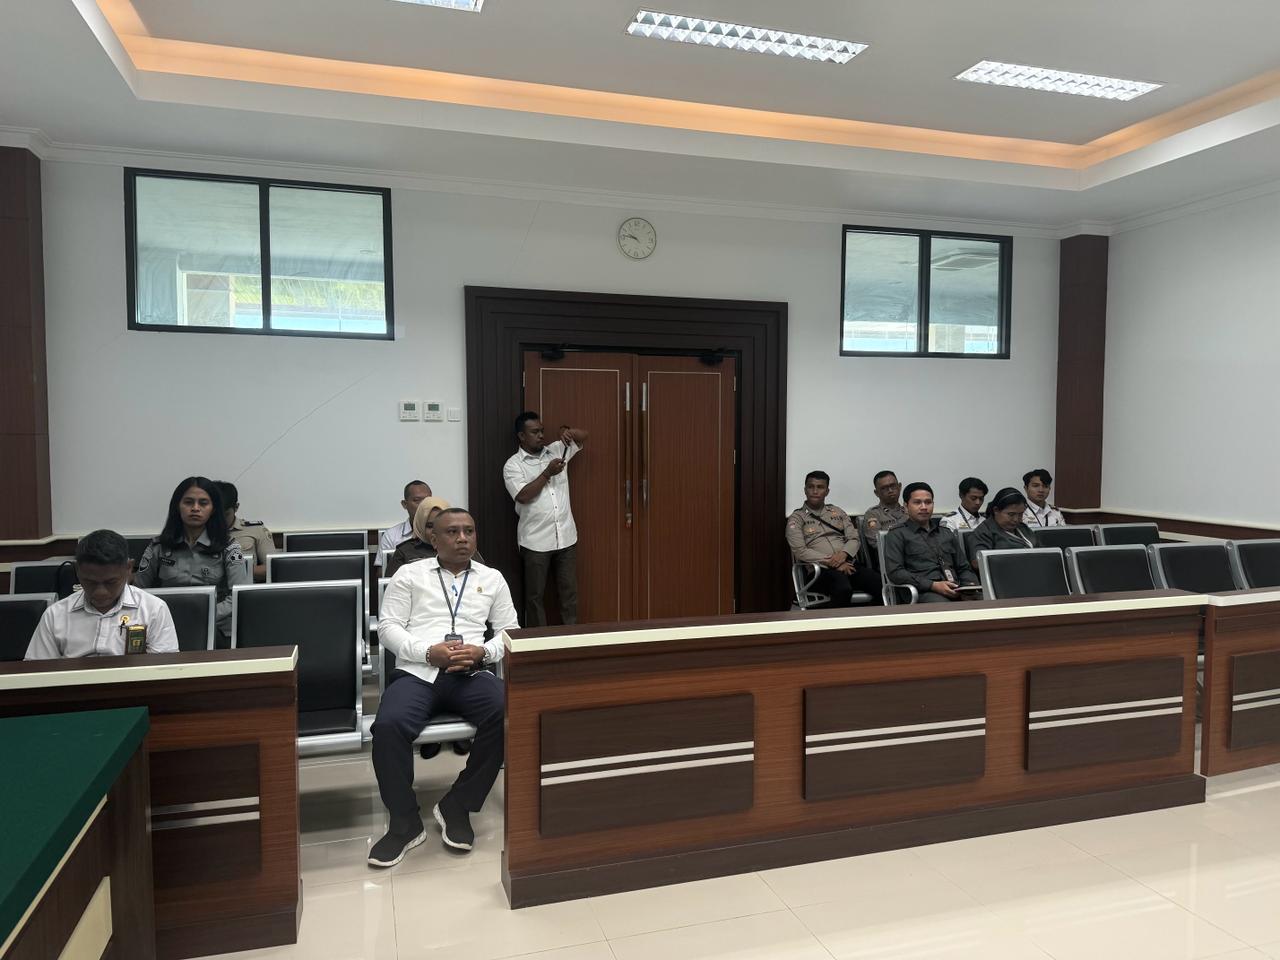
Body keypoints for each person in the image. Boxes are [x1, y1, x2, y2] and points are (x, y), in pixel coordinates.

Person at [369, 508, 516, 865]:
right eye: (453, 532)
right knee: (388, 725)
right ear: (433, 539)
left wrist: (483, 653)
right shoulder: (409, 574)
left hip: (470, 673)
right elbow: (387, 627)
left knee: (507, 712)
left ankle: (458, 804)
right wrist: (426, 652)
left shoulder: (492, 578)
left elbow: (510, 631)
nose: (463, 538)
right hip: (418, 673)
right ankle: (404, 822)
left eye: (469, 531)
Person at [26, 529, 179, 659]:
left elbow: (163, 669)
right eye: (90, 582)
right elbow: (37, 672)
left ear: (128, 568)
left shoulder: (154, 610)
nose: (101, 592)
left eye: (110, 582)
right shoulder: (55, 614)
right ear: (77, 570)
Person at [134, 476, 248, 645]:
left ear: (213, 509)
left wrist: (201, 616)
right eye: (188, 502)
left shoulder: (229, 548)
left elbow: (238, 596)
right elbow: (139, 592)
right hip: (164, 626)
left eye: (203, 503)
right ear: (177, 506)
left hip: (215, 628)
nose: (195, 508)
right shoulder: (158, 547)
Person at [503, 412, 587, 627]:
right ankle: (539, 641)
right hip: (535, 542)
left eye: (542, 431)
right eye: (535, 432)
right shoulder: (513, 465)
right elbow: (523, 496)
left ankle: (572, 637)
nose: (541, 435)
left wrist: (569, 432)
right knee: (535, 597)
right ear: (522, 436)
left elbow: (584, 436)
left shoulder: (557, 450)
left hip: (566, 537)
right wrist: (547, 473)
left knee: (569, 593)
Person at [785, 470, 881, 607]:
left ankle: (866, 619)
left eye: (820, 487)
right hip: (820, 571)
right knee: (843, 588)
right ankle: (832, 621)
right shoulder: (797, 518)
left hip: (848, 564)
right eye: (811, 487)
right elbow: (800, 550)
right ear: (805, 490)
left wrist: (843, 555)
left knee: (879, 584)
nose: (815, 491)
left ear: (827, 491)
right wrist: (833, 562)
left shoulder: (838, 512)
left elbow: (854, 538)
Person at [883, 481, 978, 604]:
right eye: (917, 502)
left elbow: (963, 567)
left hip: (956, 587)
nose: (924, 507)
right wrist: (933, 585)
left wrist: (969, 586)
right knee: (945, 606)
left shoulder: (945, 533)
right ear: (906, 506)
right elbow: (896, 573)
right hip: (922, 592)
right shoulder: (897, 534)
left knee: (986, 602)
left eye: (928, 502)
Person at [219, 480, 277, 581]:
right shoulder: (199, 532)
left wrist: (235, 570)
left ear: (236, 507)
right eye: (215, 515)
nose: (220, 519)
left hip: (246, 587)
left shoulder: (255, 530)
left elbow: (274, 567)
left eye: (225, 514)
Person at [385, 496, 450, 577]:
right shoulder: (404, 552)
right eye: (430, 526)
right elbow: (392, 583)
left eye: (441, 525)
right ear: (420, 526)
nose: (435, 531)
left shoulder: (458, 549)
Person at [970, 488, 1036, 558]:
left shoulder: (1023, 528)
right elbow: (978, 561)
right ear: (996, 510)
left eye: (1020, 514)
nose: (1016, 519)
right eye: (1011, 514)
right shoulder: (984, 532)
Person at [378, 480, 433, 558]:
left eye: (427, 500)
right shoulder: (391, 535)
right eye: (416, 500)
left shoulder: (440, 532)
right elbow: (384, 565)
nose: (423, 505)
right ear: (404, 504)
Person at [862, 470, 906, 554]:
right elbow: (877, 543)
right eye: (884, 488)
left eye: (893, 486)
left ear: (899, 487)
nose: (890, 490)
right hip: (891, 557)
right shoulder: (873, 514)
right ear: (876, 493)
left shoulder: (910, 511)